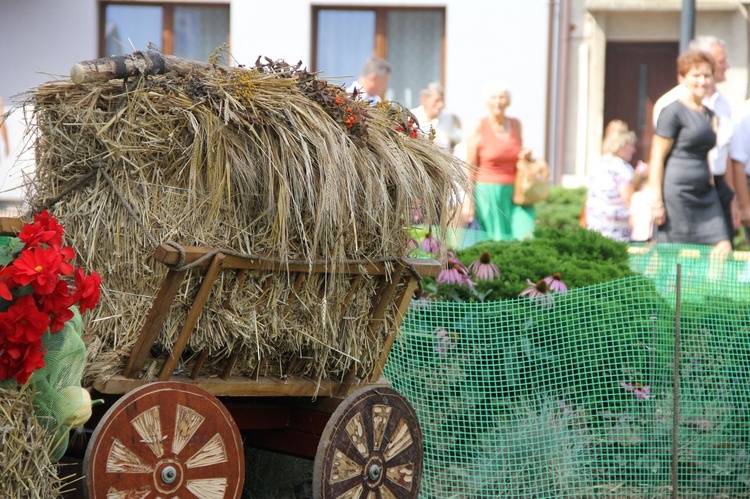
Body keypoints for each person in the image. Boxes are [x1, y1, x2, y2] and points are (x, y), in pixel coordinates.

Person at [653, 36, 737, 241]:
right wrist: (656, 201)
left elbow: (713, 152)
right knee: (676, 256)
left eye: (707, 75)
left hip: (706, 192)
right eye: (696, 75)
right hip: (678, 192)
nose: (702, 81)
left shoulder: (710, 112)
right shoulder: (671, 110)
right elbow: (656, 158)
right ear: (683, 77)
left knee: (722, 246)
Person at [464, 83, 534, 240]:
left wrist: (526, 154)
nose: (498, 101)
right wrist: (469, 199)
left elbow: (518, 151)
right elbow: (469, 166)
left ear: (508, 101)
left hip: (516, 191)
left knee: (525, 233)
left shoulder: (516, 124)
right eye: (494, 97)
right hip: (488, 192)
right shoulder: (479, 126)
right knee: (497, 239)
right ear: (487, 102)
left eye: (502, 97)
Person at [586, 126, 646, 241]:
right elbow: (627, 196)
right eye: (631, 146)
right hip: (615, 229)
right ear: (621, 145)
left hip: (595, 224)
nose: (634, 150)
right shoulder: (622, 167)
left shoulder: (598, 163)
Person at [409, 83, 462, 152]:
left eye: (442, 101)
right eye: (437, 101)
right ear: (424, 100)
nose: (441, 105)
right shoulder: (412, 117)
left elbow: (457, 141)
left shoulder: (448, 117)